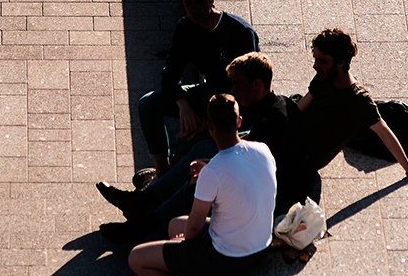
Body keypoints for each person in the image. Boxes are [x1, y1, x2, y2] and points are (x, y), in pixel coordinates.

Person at [99, 51, 315, 246]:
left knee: (203, 177)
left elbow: (245, 165)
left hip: (276, 203)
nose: (232, 90)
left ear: (256, 84)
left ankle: (144, 226)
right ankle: (144, 202)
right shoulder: (280, 104)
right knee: (204, 147)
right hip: (271, 183)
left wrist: (207, 170)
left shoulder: (270, 122)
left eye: (238, 84)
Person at [126, 93, 276, 276]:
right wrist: (208, 173)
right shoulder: (263, 150)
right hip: (261, 247)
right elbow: (234, 174)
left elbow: (194, 227)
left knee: (136, 258)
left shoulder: (211, 174)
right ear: (238, 122)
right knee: (175, 223)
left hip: (228, 256)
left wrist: (186, 244)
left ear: (209, 126)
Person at [134, 0, 259, 175]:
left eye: (199, 2)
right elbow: (170, 74)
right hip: (208, 93)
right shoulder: (186, 28)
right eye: (188, 4)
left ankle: (167, 185)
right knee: (148, 104)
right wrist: (182, 103)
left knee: (187, 143)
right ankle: (161, 172)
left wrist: (206, 121)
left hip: (235, 103)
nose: (194, 9)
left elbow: (246, 88)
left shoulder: (239, 33)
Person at [300, 29, 408, 181]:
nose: (315, 66)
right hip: (295, 137)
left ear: (341, 62)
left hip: (303, 155)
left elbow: (384, 132)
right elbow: (299, 109)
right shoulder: (324, 77)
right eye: (315, 59)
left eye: (322, 61)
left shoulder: (358, 100)